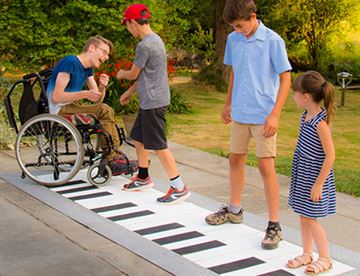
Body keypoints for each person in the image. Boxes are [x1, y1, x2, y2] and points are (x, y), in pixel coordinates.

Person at [205, 0, 292, 250]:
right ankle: (234, 210)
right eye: (233, 27)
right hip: (241, 112)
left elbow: (286, 79)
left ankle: (274, 224)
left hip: (264, 114)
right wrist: (228, 103)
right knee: (235, 158)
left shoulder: (272, 41)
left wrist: (275, 114)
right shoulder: (234, 39)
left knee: (266, 166)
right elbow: (235, 72)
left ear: (253, 17)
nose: (237, 30)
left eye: (241, 25)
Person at [116, 3, 190, 204]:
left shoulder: (144, 45)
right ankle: (142, 177)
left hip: (153, 101)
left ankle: (179, 187)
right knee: (138, 137)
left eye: (127, 25)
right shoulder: (156, 40)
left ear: (133, 22)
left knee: (158, 145)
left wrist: (120, 74)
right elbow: (147, 75)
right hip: (152, 99)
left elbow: (132, 73)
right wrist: (130, 92)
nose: (127, 29)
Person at [47, 35, 132, 174]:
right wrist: (85, 94)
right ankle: (112, 158)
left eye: (107, 54)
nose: (106, 57)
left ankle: (113, 155)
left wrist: (102, 87)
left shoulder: (87, 68)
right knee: (104, 109)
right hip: (60, 109)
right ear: (92, 48)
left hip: (72, 106)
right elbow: (56, 97)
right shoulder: (71, 62)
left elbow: (96, 100)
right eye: (104, 52)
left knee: (104, 109)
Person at [287, 71, 335, 274]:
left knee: (310, 218)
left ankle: (325, 258)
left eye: (295, 93)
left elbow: (330, 156)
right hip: (303, 173)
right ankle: (307, 253)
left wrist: (319, 184)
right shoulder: (305, 116)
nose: (293, 97)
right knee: (303, 215)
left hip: (315, 176)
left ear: (305, 96)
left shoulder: (320, 123)